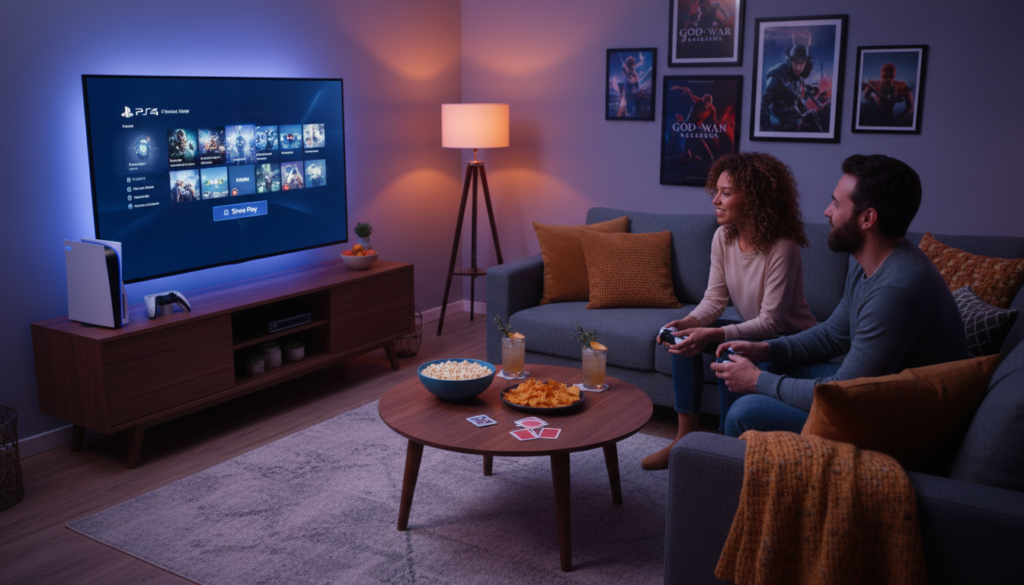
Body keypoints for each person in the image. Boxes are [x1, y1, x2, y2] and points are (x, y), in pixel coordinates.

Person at [711, 155, 970, 436]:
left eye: (836, 203)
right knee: (758, 361)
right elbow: (833, 335)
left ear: (868, 218)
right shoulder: (868, 262)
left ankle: (727, 461)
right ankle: (718, 453)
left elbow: (844, 391)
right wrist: (765, 349)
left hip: (902, 421)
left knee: (745, 412)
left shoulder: (896, 290)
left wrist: (758, 381)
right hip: (873, 392)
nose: (826, 212)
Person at [641, 152, 817, 470]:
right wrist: (690, 322)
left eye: (726, 192)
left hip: (788, 343)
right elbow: (714, 300)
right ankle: (684, 437)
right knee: (683, 340)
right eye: (717, 191)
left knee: (727, 350)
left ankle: (725, 447)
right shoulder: (723, 236)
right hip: (755, 330)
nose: (715, 200)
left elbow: (770, 323)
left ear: (752, 197)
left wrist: (714, 333)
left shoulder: (783, 247)